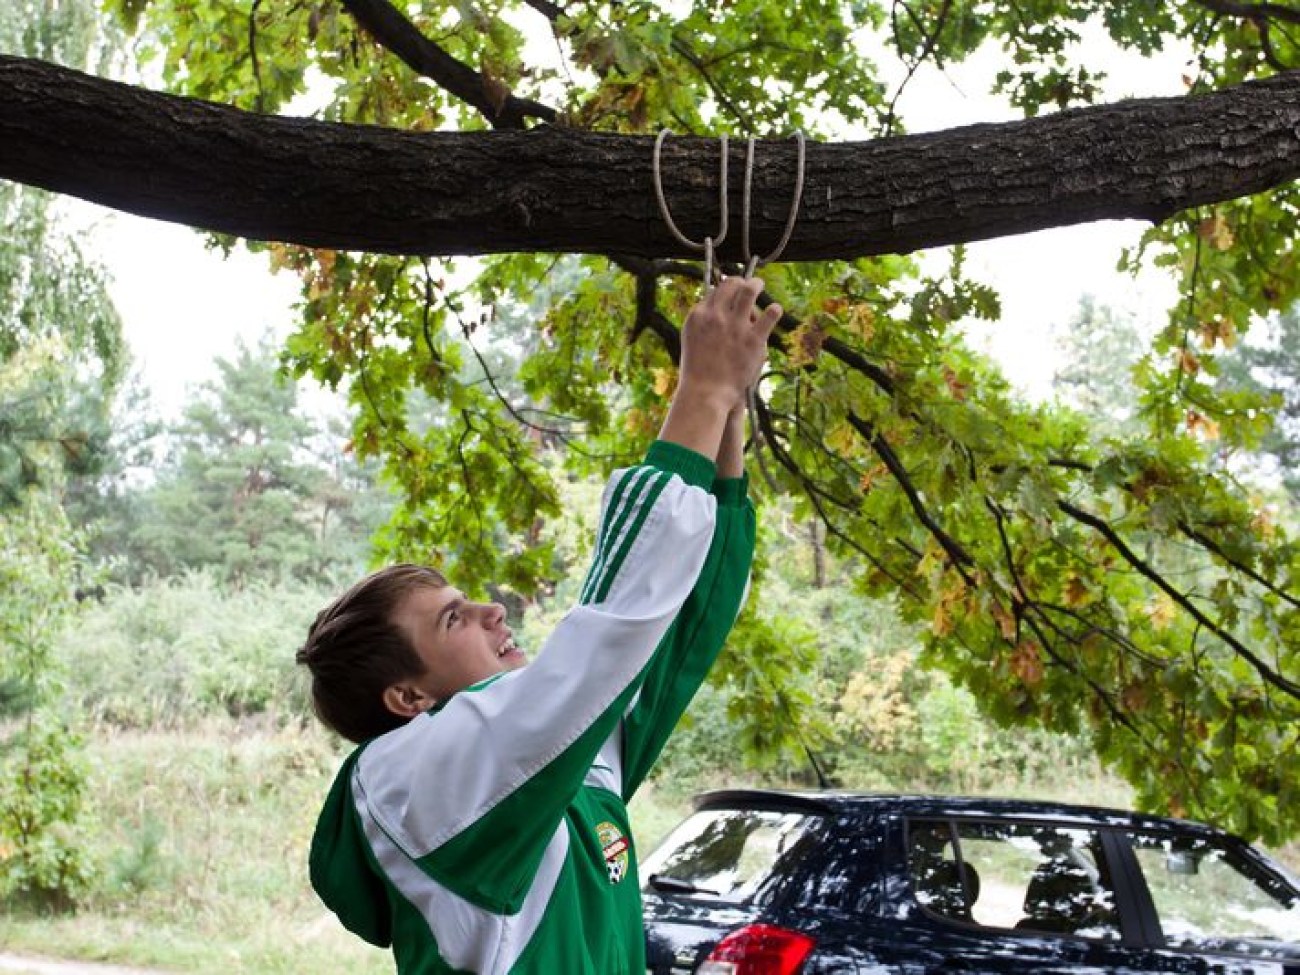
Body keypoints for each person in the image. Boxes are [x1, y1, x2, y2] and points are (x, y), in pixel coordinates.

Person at [297, 276, 781, 974]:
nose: (495, 609)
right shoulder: (411, 778)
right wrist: (700, 391)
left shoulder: (550, 759)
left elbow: (672, 627)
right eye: (453, 618)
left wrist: (729, 410)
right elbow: (605, 633)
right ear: (408, 698)